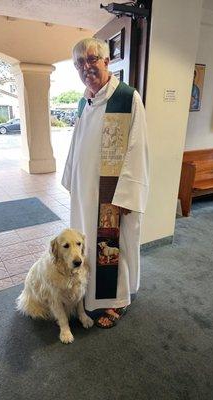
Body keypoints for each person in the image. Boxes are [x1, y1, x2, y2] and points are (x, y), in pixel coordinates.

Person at [62, 38, 149, 328]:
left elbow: (138, 149)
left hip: (112, 194)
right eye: (80, 63)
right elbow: (77, 144)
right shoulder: (82, 101)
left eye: (91, 60)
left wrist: (126, 195)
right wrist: (71, 179)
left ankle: (118, 301)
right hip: (85, 191)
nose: (86, 68)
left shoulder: (127, 98)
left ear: (106, 61)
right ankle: (93, 295)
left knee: (114, 245)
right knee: (88, 243)